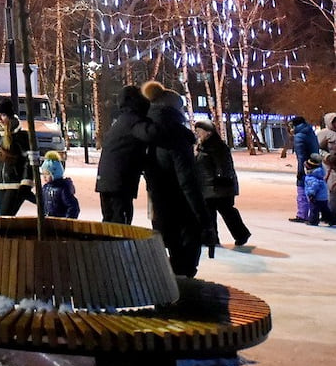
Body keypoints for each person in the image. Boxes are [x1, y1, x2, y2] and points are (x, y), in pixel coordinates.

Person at [141, 81, 214, 277]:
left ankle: (171, 300)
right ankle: (184, 303)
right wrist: (203, 219)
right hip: (182, 212)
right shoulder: (175, 137)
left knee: (170, 268)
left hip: (160, 208)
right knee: (184, 267)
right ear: (176, 110)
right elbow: (187, 181)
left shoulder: (149, 132)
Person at [96, 85, 152, 225]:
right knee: (120, 224)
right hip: (120, 181)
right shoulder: (135, 120)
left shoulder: (123, 120)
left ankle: (107, 246)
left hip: (107, 179)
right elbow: (151, 135)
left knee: (109, 220)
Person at [193, 117, 251, 246]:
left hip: (219, 187)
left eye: (199, 131)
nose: (197, 133)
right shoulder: (202, 146)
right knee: (210, 214)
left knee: (226, 212)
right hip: (208, 186)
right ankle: (212, 239)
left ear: (208, 132)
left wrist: (222, 180)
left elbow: (224, 165)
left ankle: (240, 234)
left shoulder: (216, 146)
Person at [0, 99, 35, 216]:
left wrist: (26, 182)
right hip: (2, 185)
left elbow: (29, 161)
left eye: (3, 115)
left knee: (6, 216)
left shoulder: (20, 136)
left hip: (16, 184)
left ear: (10, 116)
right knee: (5, 217)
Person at [289, 115, 320, 223]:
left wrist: (301, 171)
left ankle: (302, 214)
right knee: (315, 190)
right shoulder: (311, 133)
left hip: (306, 166)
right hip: (316, 165)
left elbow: (301, 156)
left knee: (302, 189)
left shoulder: (299, 136)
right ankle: (314, 214)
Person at [40, 151, 80, 219]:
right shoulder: (45, 188)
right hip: (48, 221)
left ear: (55, 173)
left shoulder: (62, 189)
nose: (44, 176)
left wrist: (68, 220)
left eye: (47, 174)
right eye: (43, 174)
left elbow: (73, 206)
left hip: (60, 221)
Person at [304, 154, 336, 226]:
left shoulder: (312, 177)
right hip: (324, 197)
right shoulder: (320, 174)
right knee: (325, 209)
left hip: (316, 197)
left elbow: (313, 186)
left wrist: (311, 194)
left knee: (314, 209)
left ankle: (313, 221)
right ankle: (331, 220)